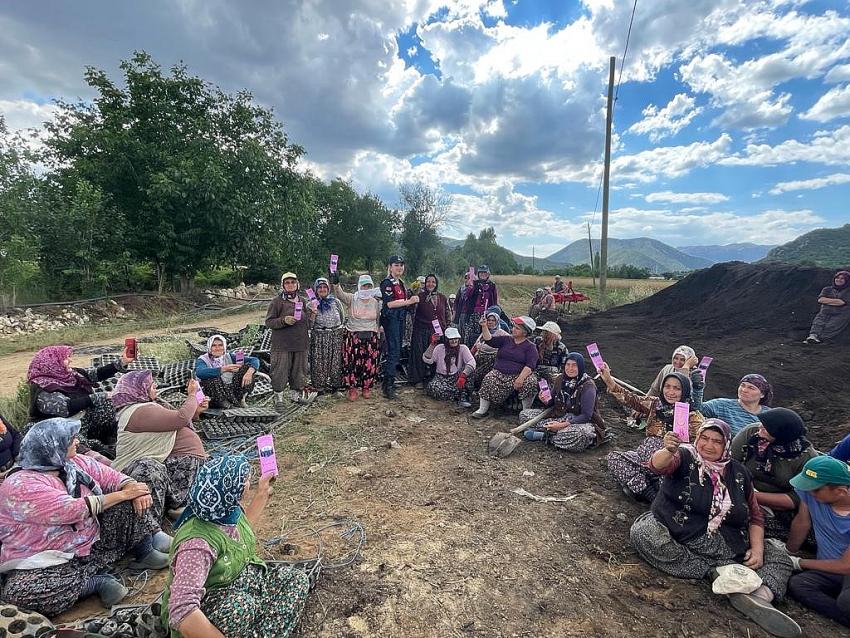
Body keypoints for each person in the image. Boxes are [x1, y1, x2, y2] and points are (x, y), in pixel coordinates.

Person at [630, 420, 799, 638]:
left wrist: (757, 550)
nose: (709, 445)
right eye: (705, 438)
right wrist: (668, 450)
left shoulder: (739, 473)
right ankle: (715, 572)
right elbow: (658, 465)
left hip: (729, 543)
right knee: (644, 532)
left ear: (726, 445)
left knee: (778, 554)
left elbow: (756, 516)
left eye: (717, 441)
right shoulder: (684, 457)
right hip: (681, 535)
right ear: (697, 438)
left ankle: (759, 596)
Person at [0, 418, 170, 617]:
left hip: (88, 543)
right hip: (45, 556)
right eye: (71, 439)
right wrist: (124, 494)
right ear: (52, 447)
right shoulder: (19, 485)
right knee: (19, 593)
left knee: (127, 501)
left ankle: (145, 549)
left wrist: (131, 487)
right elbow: (72, 509)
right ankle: (93, 583)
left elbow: (112, 477)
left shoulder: (73, 463)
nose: (77, 442)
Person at [162, 455, 310, 638]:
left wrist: (262, 492)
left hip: (240, 583)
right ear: (233, 490)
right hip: (210, 605)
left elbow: (242, 530)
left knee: (296, 579)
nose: (248, 483)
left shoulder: (224, 511)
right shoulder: (197, 544)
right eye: (246, 481)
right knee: (241, 608)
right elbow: (182, 612)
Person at [602, 362, 705, 502]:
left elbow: (699, 448)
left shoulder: (693, 417)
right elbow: (632, 399)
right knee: (614, 458)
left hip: (667, 466)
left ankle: (640, 487)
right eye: (667, 387)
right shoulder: (656, 404)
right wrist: (609, 380)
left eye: (677, 388)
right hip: (642, 460)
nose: (671, 392)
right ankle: (650, 494)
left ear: (685, 391)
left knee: (674, 481)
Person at [111, 371, 209, 516]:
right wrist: (192, 395)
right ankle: (174, 506)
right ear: (139, 389)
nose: (155, 385)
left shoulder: (147, 406)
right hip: (168, 465)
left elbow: (176, 420)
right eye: (150, 384)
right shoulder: (138, 411)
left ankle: (180, 504)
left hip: (183, 463)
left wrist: (196, 410)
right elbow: (180, 418)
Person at [27, 344, 135, 456]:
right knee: (77, 443)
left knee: (111, 406)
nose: (70, 360)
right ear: (52, 363)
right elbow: (66, 408)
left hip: (83, 421)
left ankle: (110, 437)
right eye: (65, 358)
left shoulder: (70, 374)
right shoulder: (44, 388)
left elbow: (96, 374)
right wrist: (98, 396)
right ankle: (101, 452)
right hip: (64, 428)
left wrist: (123, 361)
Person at [730, 408, 818, 541]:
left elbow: (795, 499)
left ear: (782, 434)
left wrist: (750, 495)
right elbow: (729, 463)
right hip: (739, 488)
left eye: (767, 427)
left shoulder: (807, 458)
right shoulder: (751, 434)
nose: (760, 427)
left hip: (775, 506)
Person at [786, 456, 850, 628]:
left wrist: (800, 563)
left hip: (846, 570)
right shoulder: (812, 494)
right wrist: (789, 552)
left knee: (846, 601)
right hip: (828, 571)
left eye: (815, 489)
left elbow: (846, 565)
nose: (809, 493)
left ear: (840, 491)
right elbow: (802, 521)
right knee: (798, 585)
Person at [520, 353, 606, 452]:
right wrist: (544, 400)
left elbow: (586, 416)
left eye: (574, 365)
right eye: (568, 365)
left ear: (581, 367)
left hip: (579, 422)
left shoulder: (588, 386)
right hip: (560, 415)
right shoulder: (560, 379)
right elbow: (551, 402)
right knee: (524, 415)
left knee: (578, 436)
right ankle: (554, 434)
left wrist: (561, 425)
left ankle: (545, 436)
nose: (570, 368)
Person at [265, 272, 317, 409]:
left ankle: (295, 395)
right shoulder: (277, 302)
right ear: (283, 285)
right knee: (280, 370)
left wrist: (312, 315)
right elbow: (269, 322)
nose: (290, 285)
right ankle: (279, 398)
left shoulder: (302, 301)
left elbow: (308, 325)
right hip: (282, 344)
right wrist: (283, 320)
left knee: (299, 370)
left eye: (293, 282)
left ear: (297, 284)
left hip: (300, 343)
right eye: (287, 282)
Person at [472, 315, 539, 418]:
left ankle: (526, 411)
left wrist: (520, 379)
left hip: (518, 375)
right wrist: (484, 326)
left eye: (517, 328)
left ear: (525, 332)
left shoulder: (531, 347)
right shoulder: (506, 340)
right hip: (499, 372)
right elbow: (489, 340)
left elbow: (530, 365)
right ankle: (482, 409)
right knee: (488, 378)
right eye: (514, 327)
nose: (513, 329)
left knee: (530, 382)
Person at [333, 274, 382, 401]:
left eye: (369, 286)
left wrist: (379, 331)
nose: (366, 288)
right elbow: (339, 294)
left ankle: (366, 387)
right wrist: (335, 282)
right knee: (351, 363)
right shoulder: (352, 298)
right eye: (364, 286)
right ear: (360, 286)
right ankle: (352, 389)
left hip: (371, 335)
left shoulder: (376, 301)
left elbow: (379, 319)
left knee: (369, 363)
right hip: (353, 335)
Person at [380, 255, 418, 400]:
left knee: (397, 350)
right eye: (396, 265)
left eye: (401, 265)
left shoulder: (401, 283)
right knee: (393, 351)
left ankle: (389, 381)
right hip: (391, 320)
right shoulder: (387, 283)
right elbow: (389, 304)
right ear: (390, 267)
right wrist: (409, 301)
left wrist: (411, 301)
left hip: (400, 319)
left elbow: (402, 302)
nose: (400, 267)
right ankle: (388, 386)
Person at [408, 274, 451, 389]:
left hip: (437, 331)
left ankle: (433, 377)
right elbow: (411, 310)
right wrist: (412, 294)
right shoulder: (420, 296)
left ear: (436, 284)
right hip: (421, 329)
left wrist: (447, 328)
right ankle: (418, 379)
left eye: (433, 282)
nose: (430, 284)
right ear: (425, 283)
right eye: (428, 282)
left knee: (436, 354)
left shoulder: (442, 297)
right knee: (419, 353)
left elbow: (447, 313)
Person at [194, 335, 260, 408]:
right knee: (212, 378)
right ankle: (227, 405)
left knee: (247, 368)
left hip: (231, 390)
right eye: (214, 345)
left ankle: (241, 399)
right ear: (209, 347)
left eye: (220, 345)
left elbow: (254, 360)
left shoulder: (230, 356)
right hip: (216, 395)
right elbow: (200, 372)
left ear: (224, 347)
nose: (217, 348)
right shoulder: (202, 359)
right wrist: (223, 369)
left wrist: (249, 373)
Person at [696, 374, 773, 435]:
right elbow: (697, 409)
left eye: (751, 388)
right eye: (742, 385)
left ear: (762, 394)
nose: (744, 390)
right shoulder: (721, 405)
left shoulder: (770, 415)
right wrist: (697, 389)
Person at [308, 277, 346, 392]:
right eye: (320, 287)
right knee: (319, 361)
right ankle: (320, 386)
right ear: (316, 289)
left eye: (325, 287)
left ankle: (335, 385)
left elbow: (342, 317)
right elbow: (309, 324)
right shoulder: (310, 304)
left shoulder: (335, 301)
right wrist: (313, 312)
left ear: (328, 288)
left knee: (336, 361)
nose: (323, 289)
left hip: (336, 335)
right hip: (319, 335)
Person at [422, 327, 475, 408]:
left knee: (470, 371)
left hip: (457, 377)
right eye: (451, 339)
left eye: (456, 338)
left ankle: (463, 396)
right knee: (434, 388)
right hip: (441, 378)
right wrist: (432, 345)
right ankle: (457, 395)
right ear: (446, 339)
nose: (454, 341)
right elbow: (428, 360)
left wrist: (463, 375)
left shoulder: (463, 348)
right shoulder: (440, 348)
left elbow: (472, 362)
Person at [804, 270, 850, 344]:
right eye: (837, 278)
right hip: (825, 311)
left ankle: (823, 339)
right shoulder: (827, 289)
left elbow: (841, 302)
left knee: (832, 326)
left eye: (842, 279)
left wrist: (828, 300)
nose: (839, 280)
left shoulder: (848, 291)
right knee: (818, 323)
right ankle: (813, 337)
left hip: (841, 313)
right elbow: (820, 300)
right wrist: (836, 301)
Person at [471, 308, 510, 389]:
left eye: (493, 320)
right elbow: (476, 345)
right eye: (489, 320)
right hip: (478, 358)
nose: (490, 322)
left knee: (477, 375)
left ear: (497, 321)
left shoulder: (501, 333)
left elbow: (510, 345)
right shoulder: (484, 332)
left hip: (490, 361)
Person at [462, 265, 498, 348]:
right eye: (481, 272)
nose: (483, 274)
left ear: (488, 274)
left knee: (484, 334)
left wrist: (493, 312)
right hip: (472, 313)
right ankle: (470, 353)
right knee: (470, 335)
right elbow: (467, 295)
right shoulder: (474, 283)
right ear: (478, 274)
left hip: (486, 314)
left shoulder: (492, 285)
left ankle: (483, 351)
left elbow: (494, 301)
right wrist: (470, 286)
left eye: (485, 272)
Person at [533, 321, 568, 386]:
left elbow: (564, 365)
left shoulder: (561, 347)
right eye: (543, 332)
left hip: (553, 373)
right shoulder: (537, 342)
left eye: (545, 332)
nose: (541, 334)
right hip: (536, 371)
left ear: (551, 335)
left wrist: (560, 376)